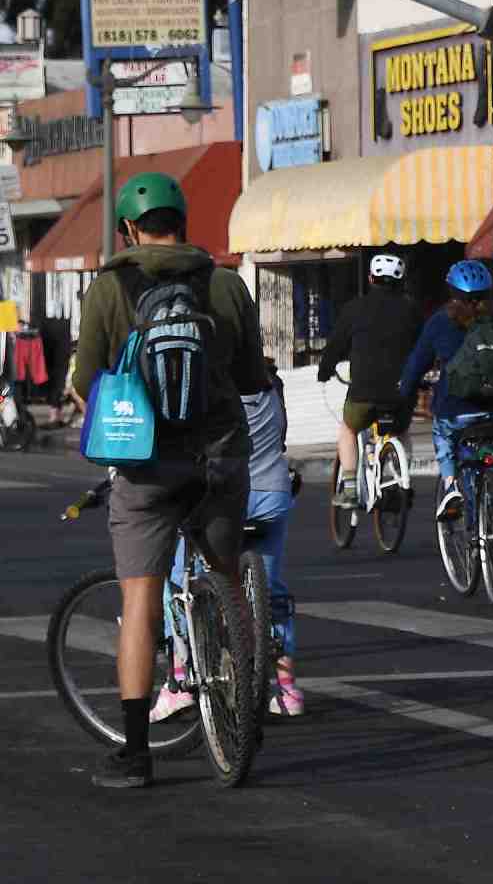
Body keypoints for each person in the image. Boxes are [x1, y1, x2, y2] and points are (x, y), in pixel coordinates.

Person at [67, 171, 264, 788]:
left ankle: (135, 754)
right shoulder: (227, 284)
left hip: (146, 462)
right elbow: (253, 375)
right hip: (220, 455)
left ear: (128, 228)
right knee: (226, 574)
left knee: (140, 598)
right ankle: (242, 697)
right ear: (184, 220)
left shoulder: (108, 288)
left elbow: (87, 381)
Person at [152, 358, 303, 723]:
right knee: (270, 590)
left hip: (226, 497)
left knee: (175, 581)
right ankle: (287, 688)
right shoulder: (272, 384)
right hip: (272, 494)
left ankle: (178, 683)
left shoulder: (206, 387)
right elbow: (280, 438)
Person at [398, 260, 493, 572]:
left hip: (457, 412)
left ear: (451, 292)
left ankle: (451, 484)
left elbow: (415, 365)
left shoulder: (439, 323)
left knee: (443, 433)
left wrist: (404, 395)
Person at [318, 253, 425, 509]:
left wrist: (325, 370)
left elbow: (335, 347)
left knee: (348, 429)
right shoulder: (411, 309)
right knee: (401, 431)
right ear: (401, 281)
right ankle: (400, 477)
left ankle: (351, 488)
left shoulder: (354, 308)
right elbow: (423, 347)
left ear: (370, 278)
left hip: (363, 393)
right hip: (402, 393)